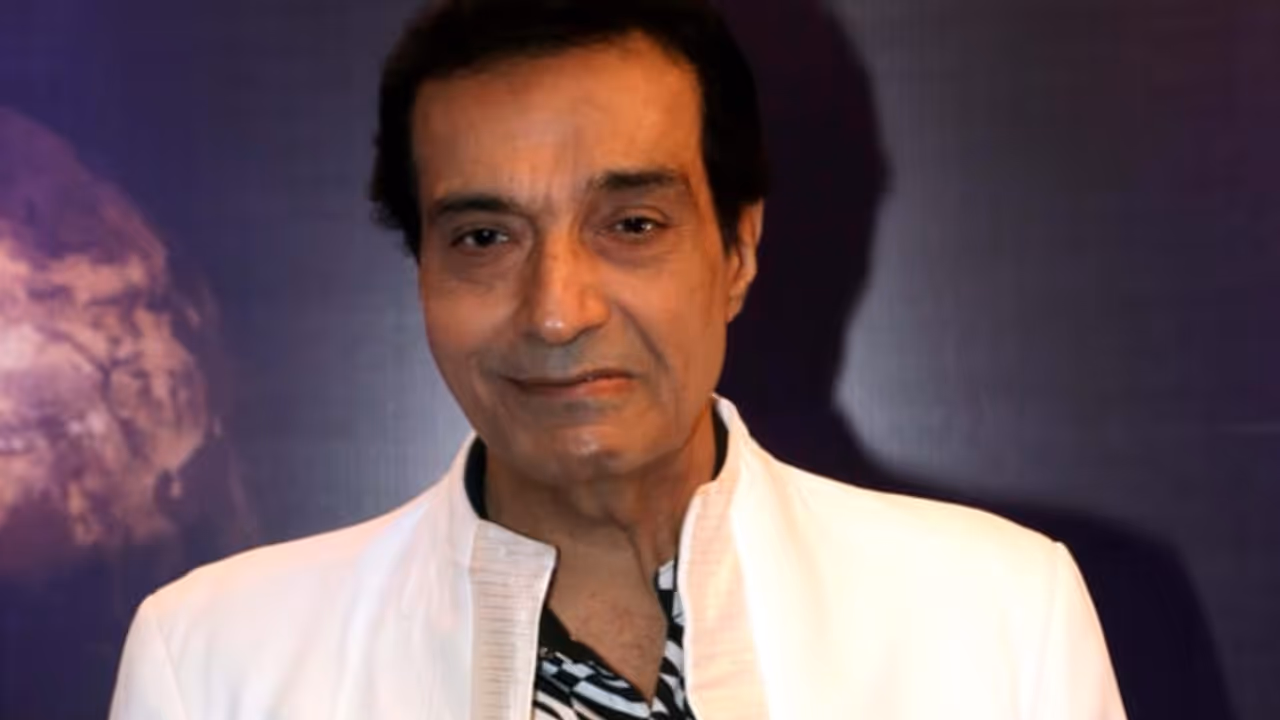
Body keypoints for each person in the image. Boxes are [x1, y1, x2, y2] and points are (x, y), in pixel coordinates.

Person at [109, 0, 1126, 717]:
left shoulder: (995, 617)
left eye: (631, 224)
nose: (557, 311)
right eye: (483, 238)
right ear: (420, 269)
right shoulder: (217, 663)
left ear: (736, 251)